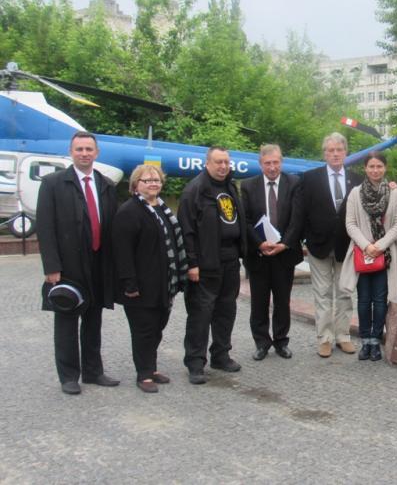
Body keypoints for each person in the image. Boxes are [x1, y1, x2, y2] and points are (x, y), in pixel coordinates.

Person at [37, 131, 119, 394]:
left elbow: (113, 226)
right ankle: (69, 376)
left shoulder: (106, 184)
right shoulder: (53, 183)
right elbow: (45, 228)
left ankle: (94, 372)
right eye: (79, 149)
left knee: (94, 320)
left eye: (88, 149)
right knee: (66, 320)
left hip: (98, 263)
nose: (84, 153)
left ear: (97, 153)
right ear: (71, 152)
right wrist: (52, 266)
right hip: (68, 266)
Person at [112, 165, 187, 393]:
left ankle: (151, 367)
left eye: (157, 180)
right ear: (136, 185)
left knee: (157, 327)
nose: (153, 184)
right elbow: (122, 252)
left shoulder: (162, 209)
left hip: (163, 284)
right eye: (147, 180)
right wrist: (129, 283)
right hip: (141, 286)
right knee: (143, 330)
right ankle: (143, 374)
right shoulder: (129, 211)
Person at [178, 146, 247, 384]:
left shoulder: (230, 186)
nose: (222, 166)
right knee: (201, 313)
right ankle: (195, 362)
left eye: (226, 162)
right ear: (207, 164)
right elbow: (186, 231)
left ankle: (221, 354)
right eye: (218, 162)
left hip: (230, 259)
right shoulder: (194, 190)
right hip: (205, 262)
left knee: (226, 309)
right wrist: (192, 263)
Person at [301, 133, 363, 357]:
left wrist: (392, 187)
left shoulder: (357, 180)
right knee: (323, 294)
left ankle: (343, 336)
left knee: (345, 293)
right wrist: (304, 239)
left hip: (346, 247)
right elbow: (302, 211)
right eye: (330, 150)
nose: (335, 154)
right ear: (324, 153)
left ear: (345, 153)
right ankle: (324, 338)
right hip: (318, 246)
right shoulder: (309, 178)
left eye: (339, 150)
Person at [340, 151, 397, 361]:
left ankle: (376, 341)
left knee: (380, 300)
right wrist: (366, 245)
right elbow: (350, 223)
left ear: (384, 168)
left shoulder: (395, 194)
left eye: (379, 166)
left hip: (385, 255)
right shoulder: (355, 193)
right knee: (363, 299)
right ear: (365, 169)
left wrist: (380, 245)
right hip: (362, 253)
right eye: (371, 166)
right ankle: (365, 340)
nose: (375, 170)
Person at [240, 144, 304, 361]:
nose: (272, 167)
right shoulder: (248, 186)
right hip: (259, 255)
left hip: (284, 254)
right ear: (260, 164)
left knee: (282, 301)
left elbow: (297, 219)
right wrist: (259, 244)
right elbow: (245, 220)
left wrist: (284, 244)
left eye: (276, 162)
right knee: (258, 302)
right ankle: (261, 343)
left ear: (281, 162)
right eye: (268, 163)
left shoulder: (293, 183)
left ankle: (281, 341)